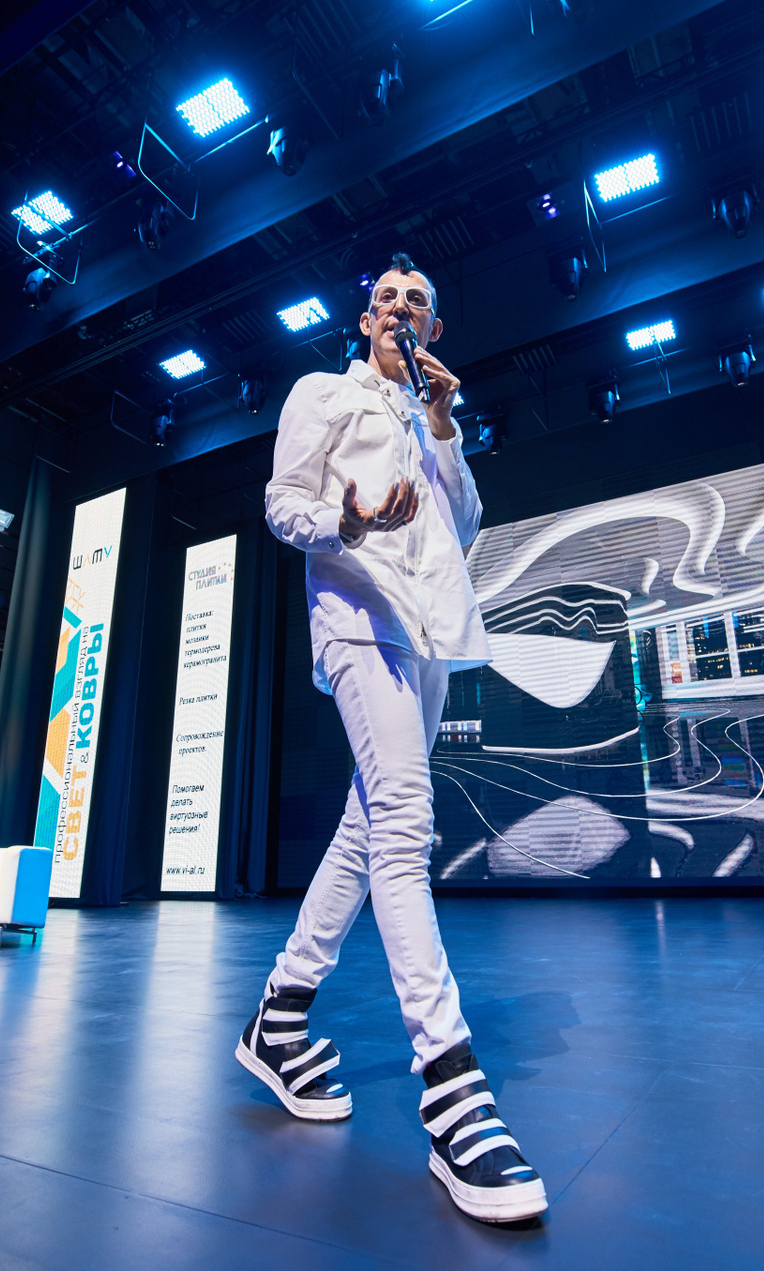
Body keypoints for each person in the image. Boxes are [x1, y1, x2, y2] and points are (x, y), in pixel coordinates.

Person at [236, 253, 546, 1224]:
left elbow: (466, 523)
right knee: (406, 822)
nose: (399, 308)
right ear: (366, 316)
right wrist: (350, 519)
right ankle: (451, 1087)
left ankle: (280, 1015)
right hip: (359, 616)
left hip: (430, 632)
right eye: (386, 298)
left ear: (433, 331)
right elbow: (282, 503)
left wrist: (445, 424)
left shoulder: (429, 415)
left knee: (367, 828)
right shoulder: (323, 393)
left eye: (417, 301)